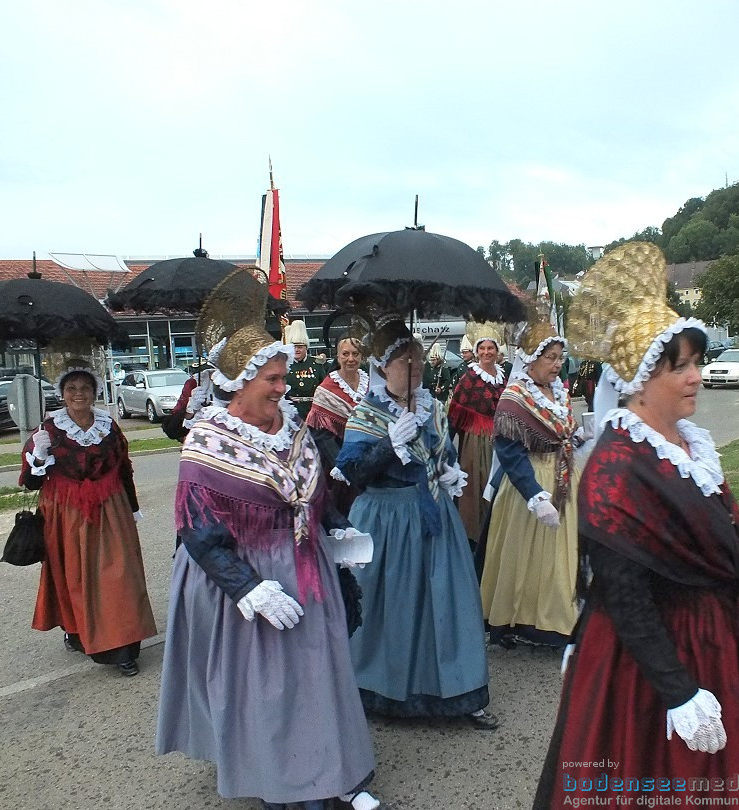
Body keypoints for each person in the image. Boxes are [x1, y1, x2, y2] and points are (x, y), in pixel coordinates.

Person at [534, 242, 739, 808]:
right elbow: (624, 594)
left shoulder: (689, 444)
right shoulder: (615, 465)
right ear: (640, 376)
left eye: (697, 364)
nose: (697, 377)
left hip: (716, 638)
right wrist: (677, 690)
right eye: (681, 367)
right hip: (654, 657)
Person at [156, 320, 383, 810]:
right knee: (270, 689)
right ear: (240, 383)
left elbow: (311, 495)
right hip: (245, 573)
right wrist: (246, 588)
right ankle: (284, 780)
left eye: (284, 378)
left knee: (320, 675)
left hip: (304, 565)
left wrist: (336, 524)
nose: (284, 388)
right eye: (273, 380)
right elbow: (198, 531)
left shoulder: (290, 429)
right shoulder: (208, 441)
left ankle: (332, 770)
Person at [335, 317, 497, 729]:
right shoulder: (367, 412)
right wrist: (389, 446)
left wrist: (448, 472)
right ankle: (379, 687)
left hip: (432, 512)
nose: (416, 367)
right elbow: (352, 472)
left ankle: (457, 691)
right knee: (388, 605)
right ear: (384, 367)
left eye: (419, 359)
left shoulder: (433, 407)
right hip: (386, 519)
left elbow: (443, 456)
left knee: (446, 601)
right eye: (406, 361)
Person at [20, 359, 155, 677]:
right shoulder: (49, 430)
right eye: (71, 388)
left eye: (85, 388)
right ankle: (76, 630)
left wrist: (132, 508)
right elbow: (30, 481)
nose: (78, 394)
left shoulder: (108, 426)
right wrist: (39, 456)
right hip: (65, 513)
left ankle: (124, 648)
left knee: (119, 576)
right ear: (62, 394)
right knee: (74, 578)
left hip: (111, 509)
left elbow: (123, 469)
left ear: (95, 392)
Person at [480, 314, 583, 649]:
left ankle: (557, 618)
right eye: (549, 357)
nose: (556, 365)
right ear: (530, 357)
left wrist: (578, 436)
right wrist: (536, 496)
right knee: (527, 556)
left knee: (560, 556)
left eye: (559, 358)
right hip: (532, 486)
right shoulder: (514, 397)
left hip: (565, 477)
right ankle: (527, 620)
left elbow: (561, 435)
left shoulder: (558, 391)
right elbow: (509, 453)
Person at [448, 334, 506, 540]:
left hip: (500, 438)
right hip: (476, 440)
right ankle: (476, 534)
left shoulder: (503, 377)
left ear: (497, 351)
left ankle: (496, 529)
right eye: (482, 348)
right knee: (478, 485)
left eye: (490, 348)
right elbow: (455, 410)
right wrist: (447, 446)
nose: (486, 352)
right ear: (476, 352)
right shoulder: (469, 377)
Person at [307, 336, 370, 514]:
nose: (351, 359)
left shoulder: (370, 383)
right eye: (346, 354)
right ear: (337, 356)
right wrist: (345, 466)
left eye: (355, 354)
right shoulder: (325, 389)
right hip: (339, 464)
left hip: (370, 461)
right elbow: (321, 435)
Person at [285, 320, 326, 420]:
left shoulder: (316, 363)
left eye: (300, 347)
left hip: (313, 411)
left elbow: (324, 388)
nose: (296, 350)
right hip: (292, 412)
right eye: (294, 347)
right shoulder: (285, 365)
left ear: (306, 348)